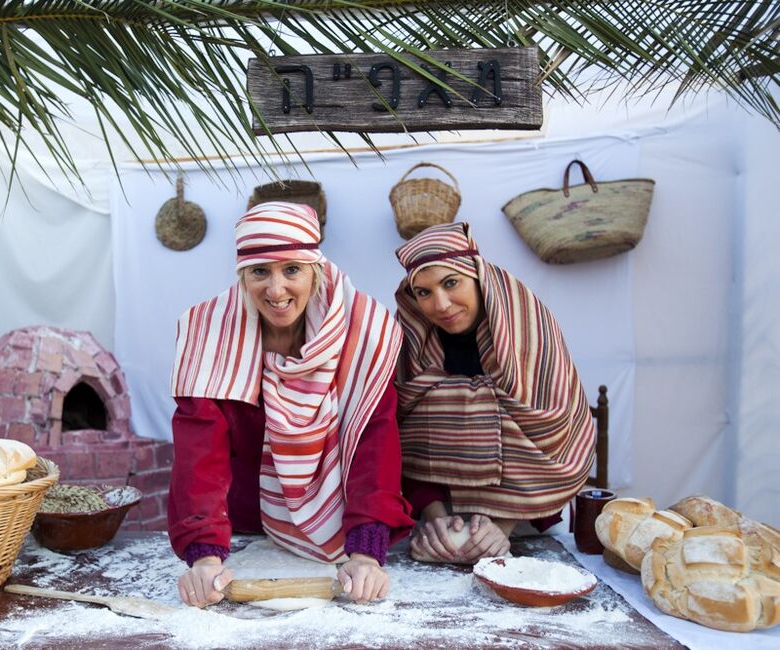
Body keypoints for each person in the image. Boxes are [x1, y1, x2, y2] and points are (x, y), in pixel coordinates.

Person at [168, 201, 413, 608]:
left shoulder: (362, 330)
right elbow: (199, 452)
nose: (276, 289)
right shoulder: (209, 333)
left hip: (346, 536)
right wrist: (204, 556)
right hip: (239, 533)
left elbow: (375, 444)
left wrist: (367, 550)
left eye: (292, 269)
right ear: (242, 276)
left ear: (314, 269)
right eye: (260, 271)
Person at [394, 222, 595, 564]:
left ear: (478, 277)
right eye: (423, 292)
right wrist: (435, 520)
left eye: (450, 282)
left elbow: (556, 431)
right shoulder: (411, 345)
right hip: (443, 527)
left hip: (530, 523)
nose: (440, 304)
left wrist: (502, 524)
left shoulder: (528, 333)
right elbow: (408, 440)